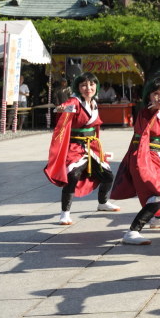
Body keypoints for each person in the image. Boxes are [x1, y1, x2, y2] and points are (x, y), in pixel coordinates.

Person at [111, 77, 160, 245]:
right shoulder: (147, 112)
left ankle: (158, 217)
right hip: (146, 157)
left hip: (159, 158)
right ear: (149, 97)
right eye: (155, 93)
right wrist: (155, 110)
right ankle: (133, 231)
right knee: (159, 192)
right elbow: (144, 129)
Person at [44, 72, 119, 224]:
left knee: (108, 176)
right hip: (76, 146)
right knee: (72, 176)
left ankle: (103, 203)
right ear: (78, 87)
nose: (88, 88)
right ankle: (65, 213)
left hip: (92, 146)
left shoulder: (94, 102)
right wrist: (61, 108)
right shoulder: (75, 101)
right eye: (83, 85)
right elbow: (66, 106)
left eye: (91, 84)